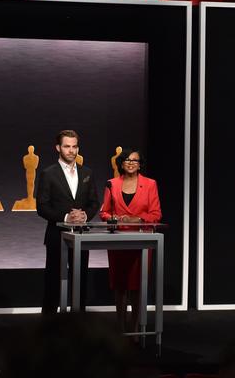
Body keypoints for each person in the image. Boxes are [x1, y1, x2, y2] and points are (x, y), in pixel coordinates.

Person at [36, 130, 99, 314]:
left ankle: (78, 331)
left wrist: (84, 216)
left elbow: (94, 202)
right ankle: (48, 331)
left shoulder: (87, 172)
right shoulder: (48, 173)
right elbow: (42, 206)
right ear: (58, 148)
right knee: (53, 284)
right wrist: (66, 217)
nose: (71, 150)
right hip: (57, 236)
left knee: (80, 284)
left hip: (81, 236)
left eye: (74, 146)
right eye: (66, 146)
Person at [99, 148, 162, 333]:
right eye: (127, 159)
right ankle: (120, 328)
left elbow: (156, 214)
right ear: (121, 163)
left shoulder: (150, 184)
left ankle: (136, 329)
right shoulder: (111, 184)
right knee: (120, 286)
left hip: (141, 241)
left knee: (137, 286)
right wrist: (114, 218)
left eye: (135, 160)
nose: (131, 162)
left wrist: (139, 219)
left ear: (140, 164)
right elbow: (104, 212)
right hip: (117, 241)